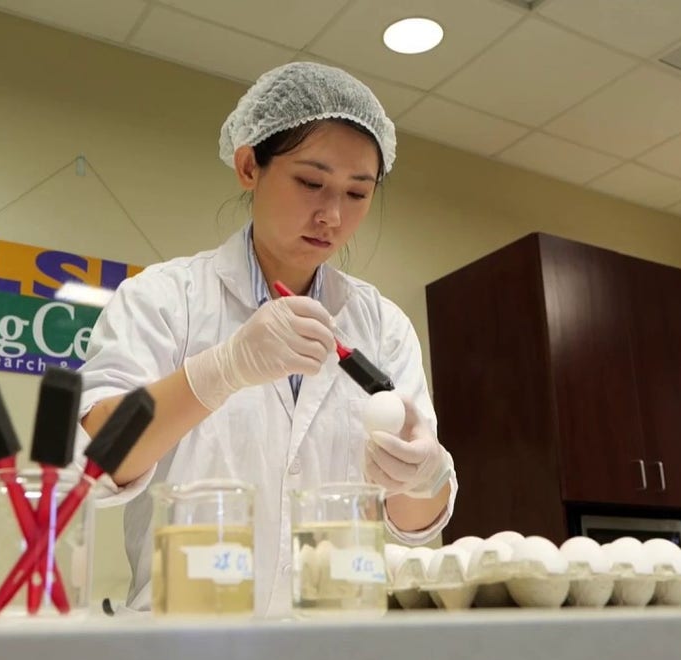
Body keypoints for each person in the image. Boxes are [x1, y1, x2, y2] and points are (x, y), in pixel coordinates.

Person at [73, 61, 457, 616]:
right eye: (310, 182)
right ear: (250, 165)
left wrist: (427, 474)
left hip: (334, 645)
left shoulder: (382, 325)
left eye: (357, 193)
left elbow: (413, 524)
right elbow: (99, 460)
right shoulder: (164, 298)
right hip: (188, 642)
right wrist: (220, 370)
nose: (331, 214)